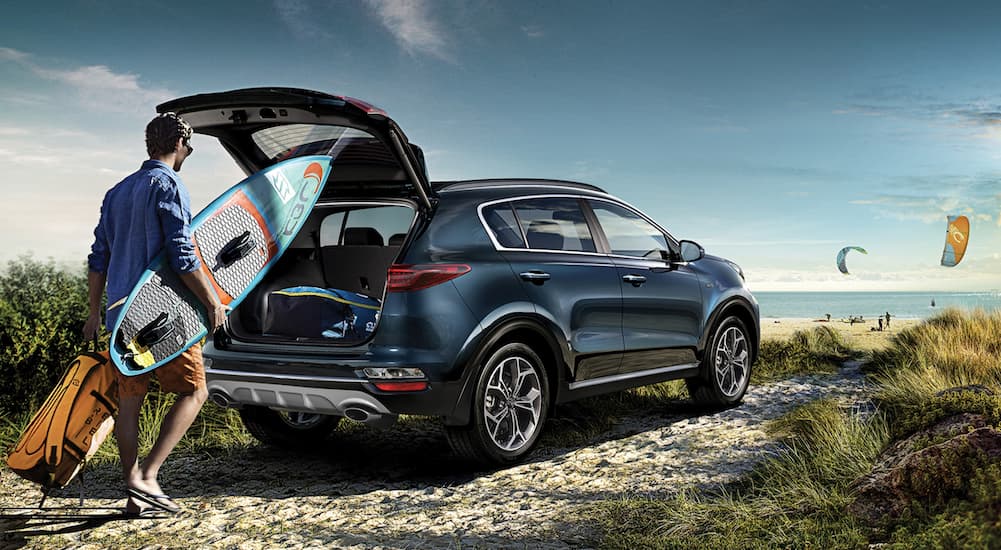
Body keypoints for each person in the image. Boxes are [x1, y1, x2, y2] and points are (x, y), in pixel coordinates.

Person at [83, 113, 227, 516]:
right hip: (163, 317)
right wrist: (212, 301)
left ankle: (134, 496)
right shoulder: (169, 185)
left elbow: (99, 257)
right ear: (180, 143)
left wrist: (93, 312)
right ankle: (147, 476)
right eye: (190, 145)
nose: (190, 152)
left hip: (119, 317)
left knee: (130, 403)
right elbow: (183, 255)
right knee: (194, 390)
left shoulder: (117, 192)